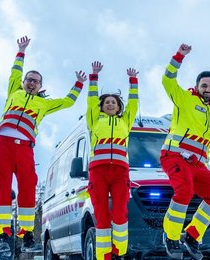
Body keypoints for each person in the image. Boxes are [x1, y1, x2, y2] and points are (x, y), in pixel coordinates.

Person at [0, 36, 87, 255]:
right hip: (3, 145)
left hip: (25, 147)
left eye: (36, 81)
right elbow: (14, 71)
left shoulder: (43, 104)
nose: (31, 82)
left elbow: (68, 102)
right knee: (2, 186)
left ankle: (26, 235)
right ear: (24, 82)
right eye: (29, 79)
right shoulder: (14, 92)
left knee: (28, 186)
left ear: (40, 86)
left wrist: (79, 84)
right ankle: (3, 234)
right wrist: (21, 51)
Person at [160, 44, 210, 260]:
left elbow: (206, 147)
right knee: (185, 191)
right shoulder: (185, 99)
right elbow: (167, 80)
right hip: (174, 155)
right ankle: (170, 236)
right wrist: (179, 56)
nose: (208, 89)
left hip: (198, 164)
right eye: (204, 85)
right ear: (197, 86)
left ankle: (192, 235)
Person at [86, 61, 138, 260]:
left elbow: (133, 103)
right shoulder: (94, 120)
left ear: (118, 107)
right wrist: (94, 77)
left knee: (119, 212)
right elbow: (91, 101)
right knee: (101, 214)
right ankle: (104, 255)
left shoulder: (126, 121)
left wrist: (133, 82)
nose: (109, 104)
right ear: (102, 106)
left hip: (119, 171)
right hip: (98, 171)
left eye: (113, 102)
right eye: (106, 102)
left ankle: (119, 252)